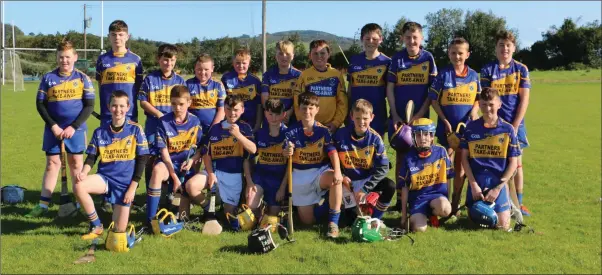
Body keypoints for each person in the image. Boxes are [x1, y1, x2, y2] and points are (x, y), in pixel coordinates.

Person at [27, 40, 95, 218]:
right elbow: (40, 104)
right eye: (60, 57)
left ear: (75, 57)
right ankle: (43, 204)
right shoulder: (48, 78)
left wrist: (74, 126)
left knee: (76, 165)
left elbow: (89, 106)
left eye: (67, 57)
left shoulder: (82, 78)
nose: (64, 61)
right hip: (53, 129)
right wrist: (53, 126)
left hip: (76, 130)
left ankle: (80, 201)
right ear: (56, 58)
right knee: (52, 164)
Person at [74, 90, 149, 240]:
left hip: (125, 185)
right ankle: (97, 225)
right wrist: (83, 172)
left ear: (128, 107)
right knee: (79, 186)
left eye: (122, 106)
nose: (118, 110)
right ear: (109, 107)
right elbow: (91, 157)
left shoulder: (136, 129)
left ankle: (116, 215)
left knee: (118, 231)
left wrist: (132, 189)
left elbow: (142, 160)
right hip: (105, 179)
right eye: (114, 106)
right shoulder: (100, 131)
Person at [479, 30, 532, 216]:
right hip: (494, 125)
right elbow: (485, 100)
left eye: (508, 45)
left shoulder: (521, 69)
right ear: (496, 48)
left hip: (515, 123)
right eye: (501, 45)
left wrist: (515, 125)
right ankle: (505, 203)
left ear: (514, 48)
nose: (505, 48)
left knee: (516, 163)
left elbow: (524, 99)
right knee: (497, 164)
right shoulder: (487, 70)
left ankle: (520, 204)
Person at [387, 21, 437, 212]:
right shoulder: (397, 59)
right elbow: (390, 88)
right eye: (408, 37)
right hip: (400, 119)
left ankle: (420, 200)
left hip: (422, 119)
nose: (411, 40)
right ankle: (400, 201)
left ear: (421, 38)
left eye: (415, 37)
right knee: (401, 158)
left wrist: (419, 114)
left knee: (423, 157)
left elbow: (432, 90)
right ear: (402, 39)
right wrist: (395, 114)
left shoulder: (428, 58)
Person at [186, 94, 257, 227]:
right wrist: (211, 174)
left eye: (236, 110)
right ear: (224, 109)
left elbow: (253, 150)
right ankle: (210, 210)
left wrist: (238, 135)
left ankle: (221, 212)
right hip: (215, 172)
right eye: (229, 109)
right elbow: (206, 154)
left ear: (242, 110)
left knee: (228, 216)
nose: (232, 113)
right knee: (191, 186)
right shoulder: (215, 128)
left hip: (234, 176)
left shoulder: (245, 128)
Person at [428, 37, 481, 216]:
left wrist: (474, 112)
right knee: (443, 166)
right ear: (448, 53)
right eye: (453, 53)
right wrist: (443, 120)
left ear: (467, 54)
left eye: (460, 53)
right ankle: (441, 202)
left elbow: (478, 99)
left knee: (460, 167)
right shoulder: (443, 74)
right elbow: (433, 100)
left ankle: (455, 206)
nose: (457, 56)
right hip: (447, 130)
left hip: (468, 130)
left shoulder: (474, 75)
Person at [283, 91, 344, 238]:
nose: (307, 111)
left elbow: (332, 152)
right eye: (304, 108)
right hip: (299, 175)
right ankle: (326, 205)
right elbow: (285, 152)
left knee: (336, 181)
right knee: (308, 222)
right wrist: (287, 151)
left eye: (311, 108)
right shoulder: (291, 131)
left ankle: (333, 223)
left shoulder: (323, 131)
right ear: (299, 109)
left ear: (317, 109)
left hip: (319, 171)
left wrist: (337, 171)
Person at [461, 87, 520, 231]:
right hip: (477, 181)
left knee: (503, 226)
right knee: (475, 222)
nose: (487, 109)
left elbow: (514, 163)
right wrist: (474, 186)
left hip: (497, 181)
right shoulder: (470, 128)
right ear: (479, 105)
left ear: (499, 104)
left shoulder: (508, 129)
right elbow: (464, 159)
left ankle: (506, 204)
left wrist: (497, 188)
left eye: (491, 105)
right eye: (483, 105)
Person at [145, 85, 202, 230]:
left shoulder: (195, 122)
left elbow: (201, 147)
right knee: (157, 170)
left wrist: (192, 160)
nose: (177, 108)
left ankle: (174, 205)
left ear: (189, 103)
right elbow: (164, 153)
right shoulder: (163, 121)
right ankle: (150, 219)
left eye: (181, 104)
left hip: (185, 166)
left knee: (182, 218)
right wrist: (174, 177)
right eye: (174, 104)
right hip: (168, 163)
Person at [333, 99, 395, 220]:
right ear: (351, 117)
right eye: (358, 118)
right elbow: (331, 158)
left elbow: (383, 168)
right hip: (347, 181)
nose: (361, 122)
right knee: (351, 222)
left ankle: (376, 219)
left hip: (366, 181)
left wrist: (366, 188)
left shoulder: (376, 139)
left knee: (390, 186)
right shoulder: (340, 134)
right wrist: (342, 175)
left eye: (365, 119)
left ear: (372, 117)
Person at [138, 43, 186, 195]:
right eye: (165, 60)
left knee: (171, 158)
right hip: (154, 125)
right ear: (158, 59)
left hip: (174, 126)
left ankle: (172, 193)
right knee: (151, 158)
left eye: (172, 60)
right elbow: (143, 101)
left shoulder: (180, 81)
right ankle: (150, 193)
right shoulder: (150, 79)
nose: (169, 63)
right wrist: (159, 114)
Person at [398, 118, 453, 232]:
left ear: (432, 136)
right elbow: (404, 187)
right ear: (413, 137)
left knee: (445, 209)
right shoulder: (408, 158)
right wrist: (403, 216)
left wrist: (447, 199)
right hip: (417, 200)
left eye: (426, 135)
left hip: (436, 196)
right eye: (418, 135)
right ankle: (419, 215)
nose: (423, 138)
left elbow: (449, 178)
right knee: (420, 229)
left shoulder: (441, 152)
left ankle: (432, 213)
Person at [246, 98, 289, 227]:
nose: (274, 118)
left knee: (272, 219)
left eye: (277, 114)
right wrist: (249, 182)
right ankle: (259, 210)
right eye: (270, 114)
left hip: (278, 180)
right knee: (250, 205)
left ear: (284, 114)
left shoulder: (288, 134)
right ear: (265, 114)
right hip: (261, 177)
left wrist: (282, 188)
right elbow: (247, 160)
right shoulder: (259, 133)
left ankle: (268, 209)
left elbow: (290, 166)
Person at [346, 23, 391, 137]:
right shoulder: (354, 60)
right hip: (355, 115)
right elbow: (350, 88)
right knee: (355, 151)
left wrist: (391, 116)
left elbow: (391, 91)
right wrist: (347, 112)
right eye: (367, 38)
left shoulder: (387, 62)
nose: (371, 41)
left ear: (381, 39)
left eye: (375, 38)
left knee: (376, 151)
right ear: (362, 39)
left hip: (377, 115)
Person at [293, 40, 348, 133]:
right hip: (310, 126)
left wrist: (336, 123)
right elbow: (297, 102)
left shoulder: (337, 75)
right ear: (309, 55)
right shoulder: (304, 76)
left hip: (331, 127)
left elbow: (342, 102)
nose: (319, 56)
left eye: (322, 53)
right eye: (315, 53)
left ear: (329, 54)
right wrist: (305, 122)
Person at [95, 19, 143, 122]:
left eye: (121, 34)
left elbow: (138, 87)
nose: (117, 38)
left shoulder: (136, 60)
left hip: (129, 114)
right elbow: (100, 85)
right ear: (109, 37)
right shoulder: (102, 59)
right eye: (113, 34)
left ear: (127, 37)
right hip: (108, 114)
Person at [221, 48, 263, 132]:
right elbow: (223, 103)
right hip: (231, 123)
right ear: (233, 63)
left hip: (250, 124)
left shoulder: (255, 81)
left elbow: (259, 105)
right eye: (237, 63)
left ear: (249, 64)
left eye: (244, 63)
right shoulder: (226, 78)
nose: (241, 66)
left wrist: (258, 124)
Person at [261, 41, 302, 126]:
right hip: (271, 118)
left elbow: (300, 99)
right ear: (275, 56)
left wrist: (289, 113)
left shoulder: (299, 75)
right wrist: (274, 115)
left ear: (293, 55)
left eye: (287, 53)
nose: (284, 57)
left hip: (291, 118)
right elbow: (264, 97)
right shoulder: (268, 75)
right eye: (280, 53)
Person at [186, 54, 226, 136]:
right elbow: (183, 109)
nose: (203, 72)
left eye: (206, 69)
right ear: (195, 68)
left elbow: (221, 110)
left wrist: (213, 129)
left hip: (213, 129)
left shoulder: (218, 85)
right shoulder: (187, 84)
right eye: (199, 69)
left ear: (212, 69)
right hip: (192, 130)